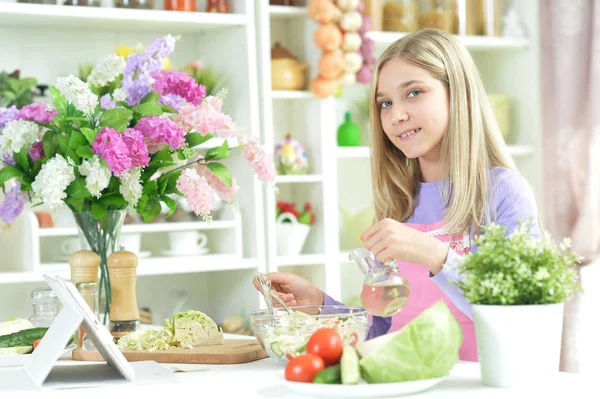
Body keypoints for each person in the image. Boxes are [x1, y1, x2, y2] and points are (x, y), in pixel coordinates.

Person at [253, 28, 540, 362]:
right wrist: (318, 302)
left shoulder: (503, 192)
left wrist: (436, 255)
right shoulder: (399, 203)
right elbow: (382, 329)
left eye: (414, 93)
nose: (395, 115)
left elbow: (519, 313)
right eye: (385, 103)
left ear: (457, 93)